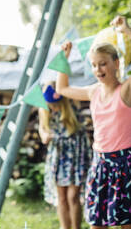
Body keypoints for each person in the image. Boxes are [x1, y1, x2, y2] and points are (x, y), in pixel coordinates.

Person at [56, 15, 131, 229]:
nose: (98, 70)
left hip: (125, 165)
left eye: (103, 64)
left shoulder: (126, 91)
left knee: (127, 224)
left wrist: (127, 31)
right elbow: (62, 89)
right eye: (94, 65)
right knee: (96, 223)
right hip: (100, 164)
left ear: (116, 64)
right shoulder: (93, 92)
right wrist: (64, 58)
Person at [38, 81, 92, 229]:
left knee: (72, 196)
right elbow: (42, 129)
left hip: (76, 155)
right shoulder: (44, 110)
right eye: (51, 105)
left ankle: (76, 227)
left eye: (57, 105)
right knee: (61, 197)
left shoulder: (72, 103)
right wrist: (44, 136)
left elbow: (64, 79)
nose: (54, 108)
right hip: (58, 156)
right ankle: (65, 227)